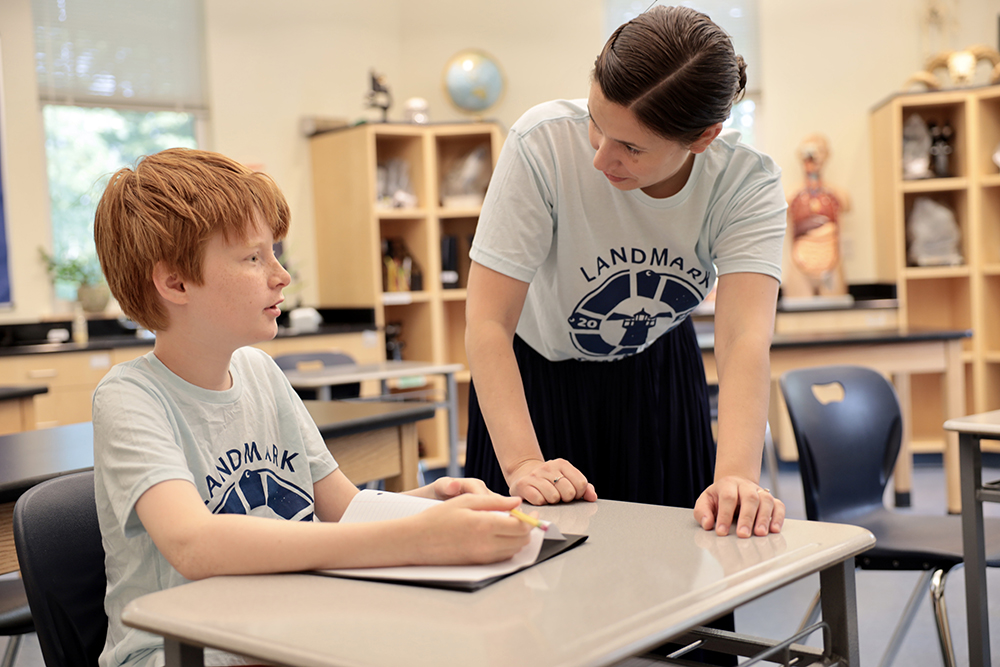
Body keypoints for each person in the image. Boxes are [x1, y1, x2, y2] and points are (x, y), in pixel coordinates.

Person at [91, 148, 532, 667]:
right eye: (254, 258)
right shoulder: (129, 397)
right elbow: (194, 544)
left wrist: (430, 503)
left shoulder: (260, 373)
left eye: (274, 253)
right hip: (179, 651)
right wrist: (416, 538)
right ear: (175, 283)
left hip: (282, 625)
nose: (281, 276)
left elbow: (343, 509)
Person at [465, 5, 787, 541]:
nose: (600, 158)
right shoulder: (541, 144)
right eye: (596, 122)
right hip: (531, 377)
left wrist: (736, 478)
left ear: (703, 138)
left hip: (659, 376)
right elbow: (487, 322)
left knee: (674, 573)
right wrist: (523, 464)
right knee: (526, 591)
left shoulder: (744, 182)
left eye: (631, 147)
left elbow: (743, 339)